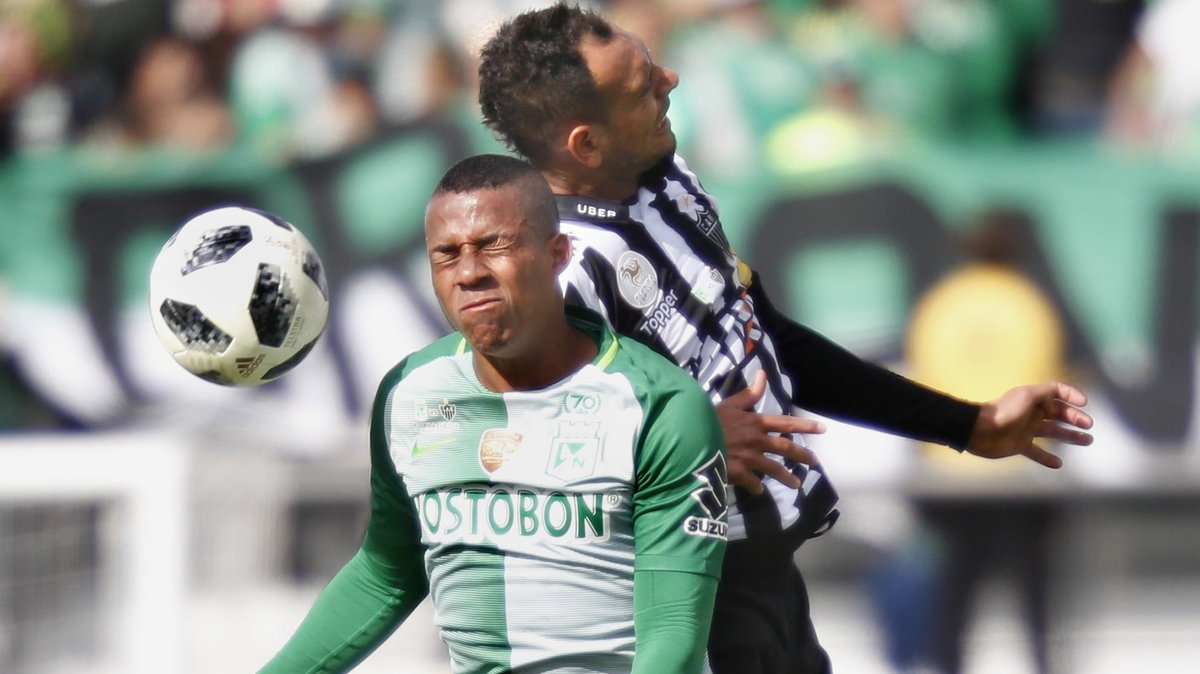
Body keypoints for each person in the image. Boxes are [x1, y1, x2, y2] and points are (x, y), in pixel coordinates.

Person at [476, 4, 1095, 673]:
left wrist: (966, 424)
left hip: (766, 579)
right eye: (641, 83)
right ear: (585, 145)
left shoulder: (669, 186)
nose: (671, 78)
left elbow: (771, 339)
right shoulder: (558, 274)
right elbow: (522, 457)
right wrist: (686, 439)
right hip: (677, 607)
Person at [259, 154, 728, 673]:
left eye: (493, 246)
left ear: (557, 253)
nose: (469, 273)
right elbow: (386, 573)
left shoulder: (660, 406)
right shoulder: (409, 394)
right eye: (446, 254)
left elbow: (673, 634)